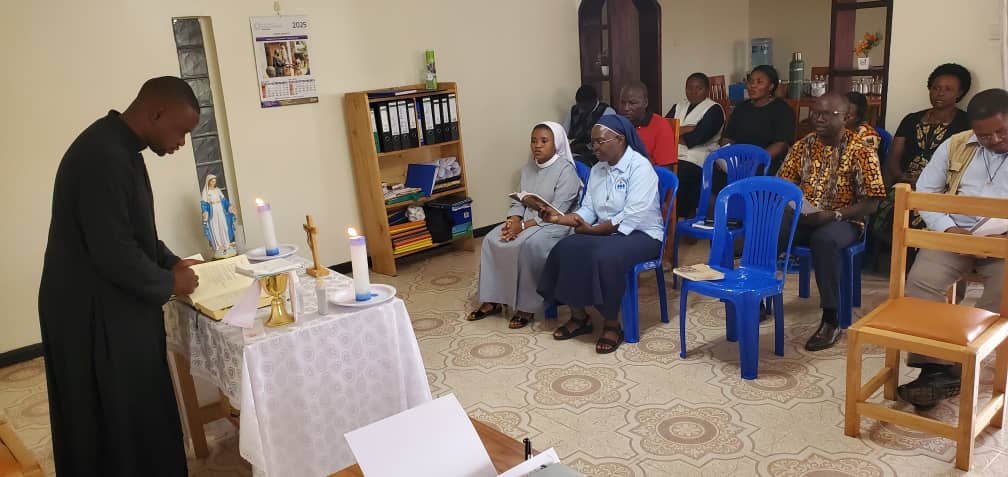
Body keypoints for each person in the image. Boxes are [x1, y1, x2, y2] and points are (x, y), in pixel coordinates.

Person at [38, 76, 202, 477]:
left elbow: (136, 230)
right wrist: (170, 283)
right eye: (181, 131)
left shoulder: (121, 148)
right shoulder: (103, 156)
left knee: (136, 407)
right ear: (157, 113)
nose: (182, 142)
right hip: (88, 312)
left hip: (107, 301)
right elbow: (114, 252)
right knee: (109, 414)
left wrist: (170, 261)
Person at [895, 88, 1008, 410]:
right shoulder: (956, 144)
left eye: (1002, 132)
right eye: (984, 136)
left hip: (1004, 243)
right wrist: (950, 230)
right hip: (956, 233)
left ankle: (961, 364)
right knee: (920, 283)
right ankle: (937, 369)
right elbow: (926, 193)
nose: (995, 140)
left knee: (1001, 295)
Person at [537, 114, 664, 354]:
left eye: (599, 142)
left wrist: (594, 231)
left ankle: (612, 325)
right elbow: (588, 209)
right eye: (592, 142)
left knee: (605, 256)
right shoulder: (598, 169)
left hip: (642, 234)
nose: (594, 147)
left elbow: (630, 215)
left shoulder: (640, 167)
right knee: (566, 247)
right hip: (606, 232)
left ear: (620, 139)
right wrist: (558, 218)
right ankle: (579, 316)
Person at [776, 92, 886, 351]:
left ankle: (831, 319)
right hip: (805, 215)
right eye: (815, 112)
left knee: (824, 240)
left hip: (845, 219)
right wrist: (793, 206)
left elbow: (872, 203)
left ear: (846, 117)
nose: (818, 118)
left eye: (827, 114)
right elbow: (783, 183)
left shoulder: (862, 150)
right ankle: (758, 293)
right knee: (771, 225)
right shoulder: (803, 145)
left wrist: (833, 215)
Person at [470, 122, 582, 328]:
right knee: (492, 240)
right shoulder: (528, 168)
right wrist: (513, 220)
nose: (537, 145)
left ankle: (527, 307)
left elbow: (558, 211)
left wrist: (521, 227)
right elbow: (518, 201)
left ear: (556, 144)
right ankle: (493, 300)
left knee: (528, 245)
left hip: (556, 225)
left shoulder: (566, 171)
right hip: (527, 222)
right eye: (533, 141)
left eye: (544, 141)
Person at [871, 63, 972, 245]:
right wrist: (902, 176)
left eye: (948, 89)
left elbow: (967, 162)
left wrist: (930, 184)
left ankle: (914, 256)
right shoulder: (911, 120)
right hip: (905, 183)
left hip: (942, 188)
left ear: (960, 93)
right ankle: (896, 255)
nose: (940, 93)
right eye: (936, 88)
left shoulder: (966, 123)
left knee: (922, 214)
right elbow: (894, 157)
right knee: (886, 211)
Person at [665, 72, 726, 219]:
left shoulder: (714, 109)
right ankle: (662, 215)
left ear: (707, 90)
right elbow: (663, 130)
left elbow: (694, 139)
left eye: (698, 88)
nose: (693, 92)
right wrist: (685, 129)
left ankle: (678, 217)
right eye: (689, 88)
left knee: (681, 174)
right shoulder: (679, 106)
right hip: (673, 154)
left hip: (698, 158)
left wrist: (675, 133)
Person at [720, 65, 796, 174]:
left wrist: (755, 161)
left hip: (766, 162)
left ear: (771, 86)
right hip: (739, 161)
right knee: (714, 173)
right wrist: (726, 156)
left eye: (759, 82)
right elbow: (728, 138)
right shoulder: (741, 108)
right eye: (750, 81)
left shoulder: (781, 109)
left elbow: (780, 145)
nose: (752, 86)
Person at [618, 81, 678, 169]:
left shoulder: (660, 125)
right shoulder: (617, 123)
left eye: (632, 103)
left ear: (645, 103)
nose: (626, 108)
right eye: (623, 103)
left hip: (647, 175)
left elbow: (666, 169)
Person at [562, 84, 615, 166]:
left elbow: (607, 140)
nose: (581, 110)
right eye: (579, 105)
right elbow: (564, 133)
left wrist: (586, 146)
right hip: (574, 151)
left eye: (584, 107)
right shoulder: (574, 110)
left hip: (596, 153)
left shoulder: (607, 112)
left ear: (594, 101)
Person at [201, 174, 237, 259]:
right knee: (215, 228)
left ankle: (227, 244)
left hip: (220, 210)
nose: (214, 183)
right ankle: (219, 245)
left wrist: (230, 207)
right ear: (208, 182)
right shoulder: (205, 192)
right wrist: (205, 212)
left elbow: (224, 201)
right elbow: (204, 204)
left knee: (224, 226)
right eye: (212, 181)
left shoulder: (217, 190)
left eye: (215, 181)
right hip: (212, 212)